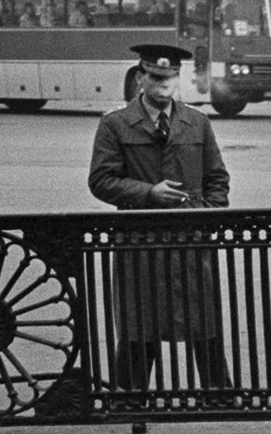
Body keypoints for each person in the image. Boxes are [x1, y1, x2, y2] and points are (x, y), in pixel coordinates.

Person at [88, 43, 233, 394]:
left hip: (190, 242)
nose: (163, 84)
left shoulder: (196, 123)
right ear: (141, 78)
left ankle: (218, 396)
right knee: (140, 324)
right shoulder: (116, 124)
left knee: (204, 324)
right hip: (141, 243)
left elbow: (218, 180)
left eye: (170, 77)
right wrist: (148, 194)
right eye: (155, 77)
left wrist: (203, 217)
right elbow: (101, 181)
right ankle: (129, 398)